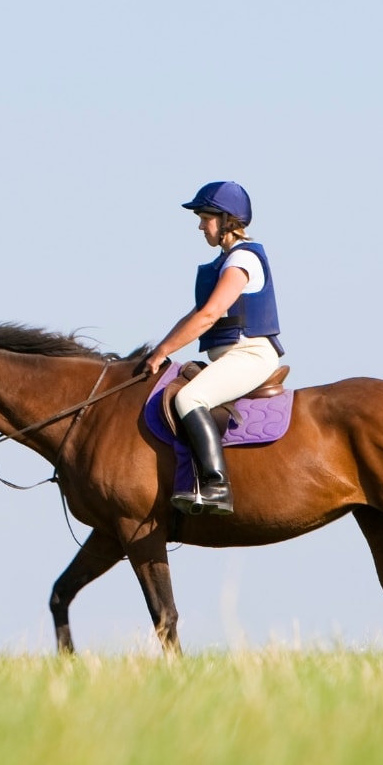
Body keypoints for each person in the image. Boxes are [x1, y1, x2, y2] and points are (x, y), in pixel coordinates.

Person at [140, 181, 283, 516]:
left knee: (189, 398)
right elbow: (194, 314)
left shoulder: (242, 259)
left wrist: (163, 353)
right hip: (231, 355)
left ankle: (216, 485)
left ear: (227, 220)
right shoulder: (225, 261)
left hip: (251, 354)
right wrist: (160, 349)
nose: (201, 225)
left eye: (205, 218)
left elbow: (208, 315)